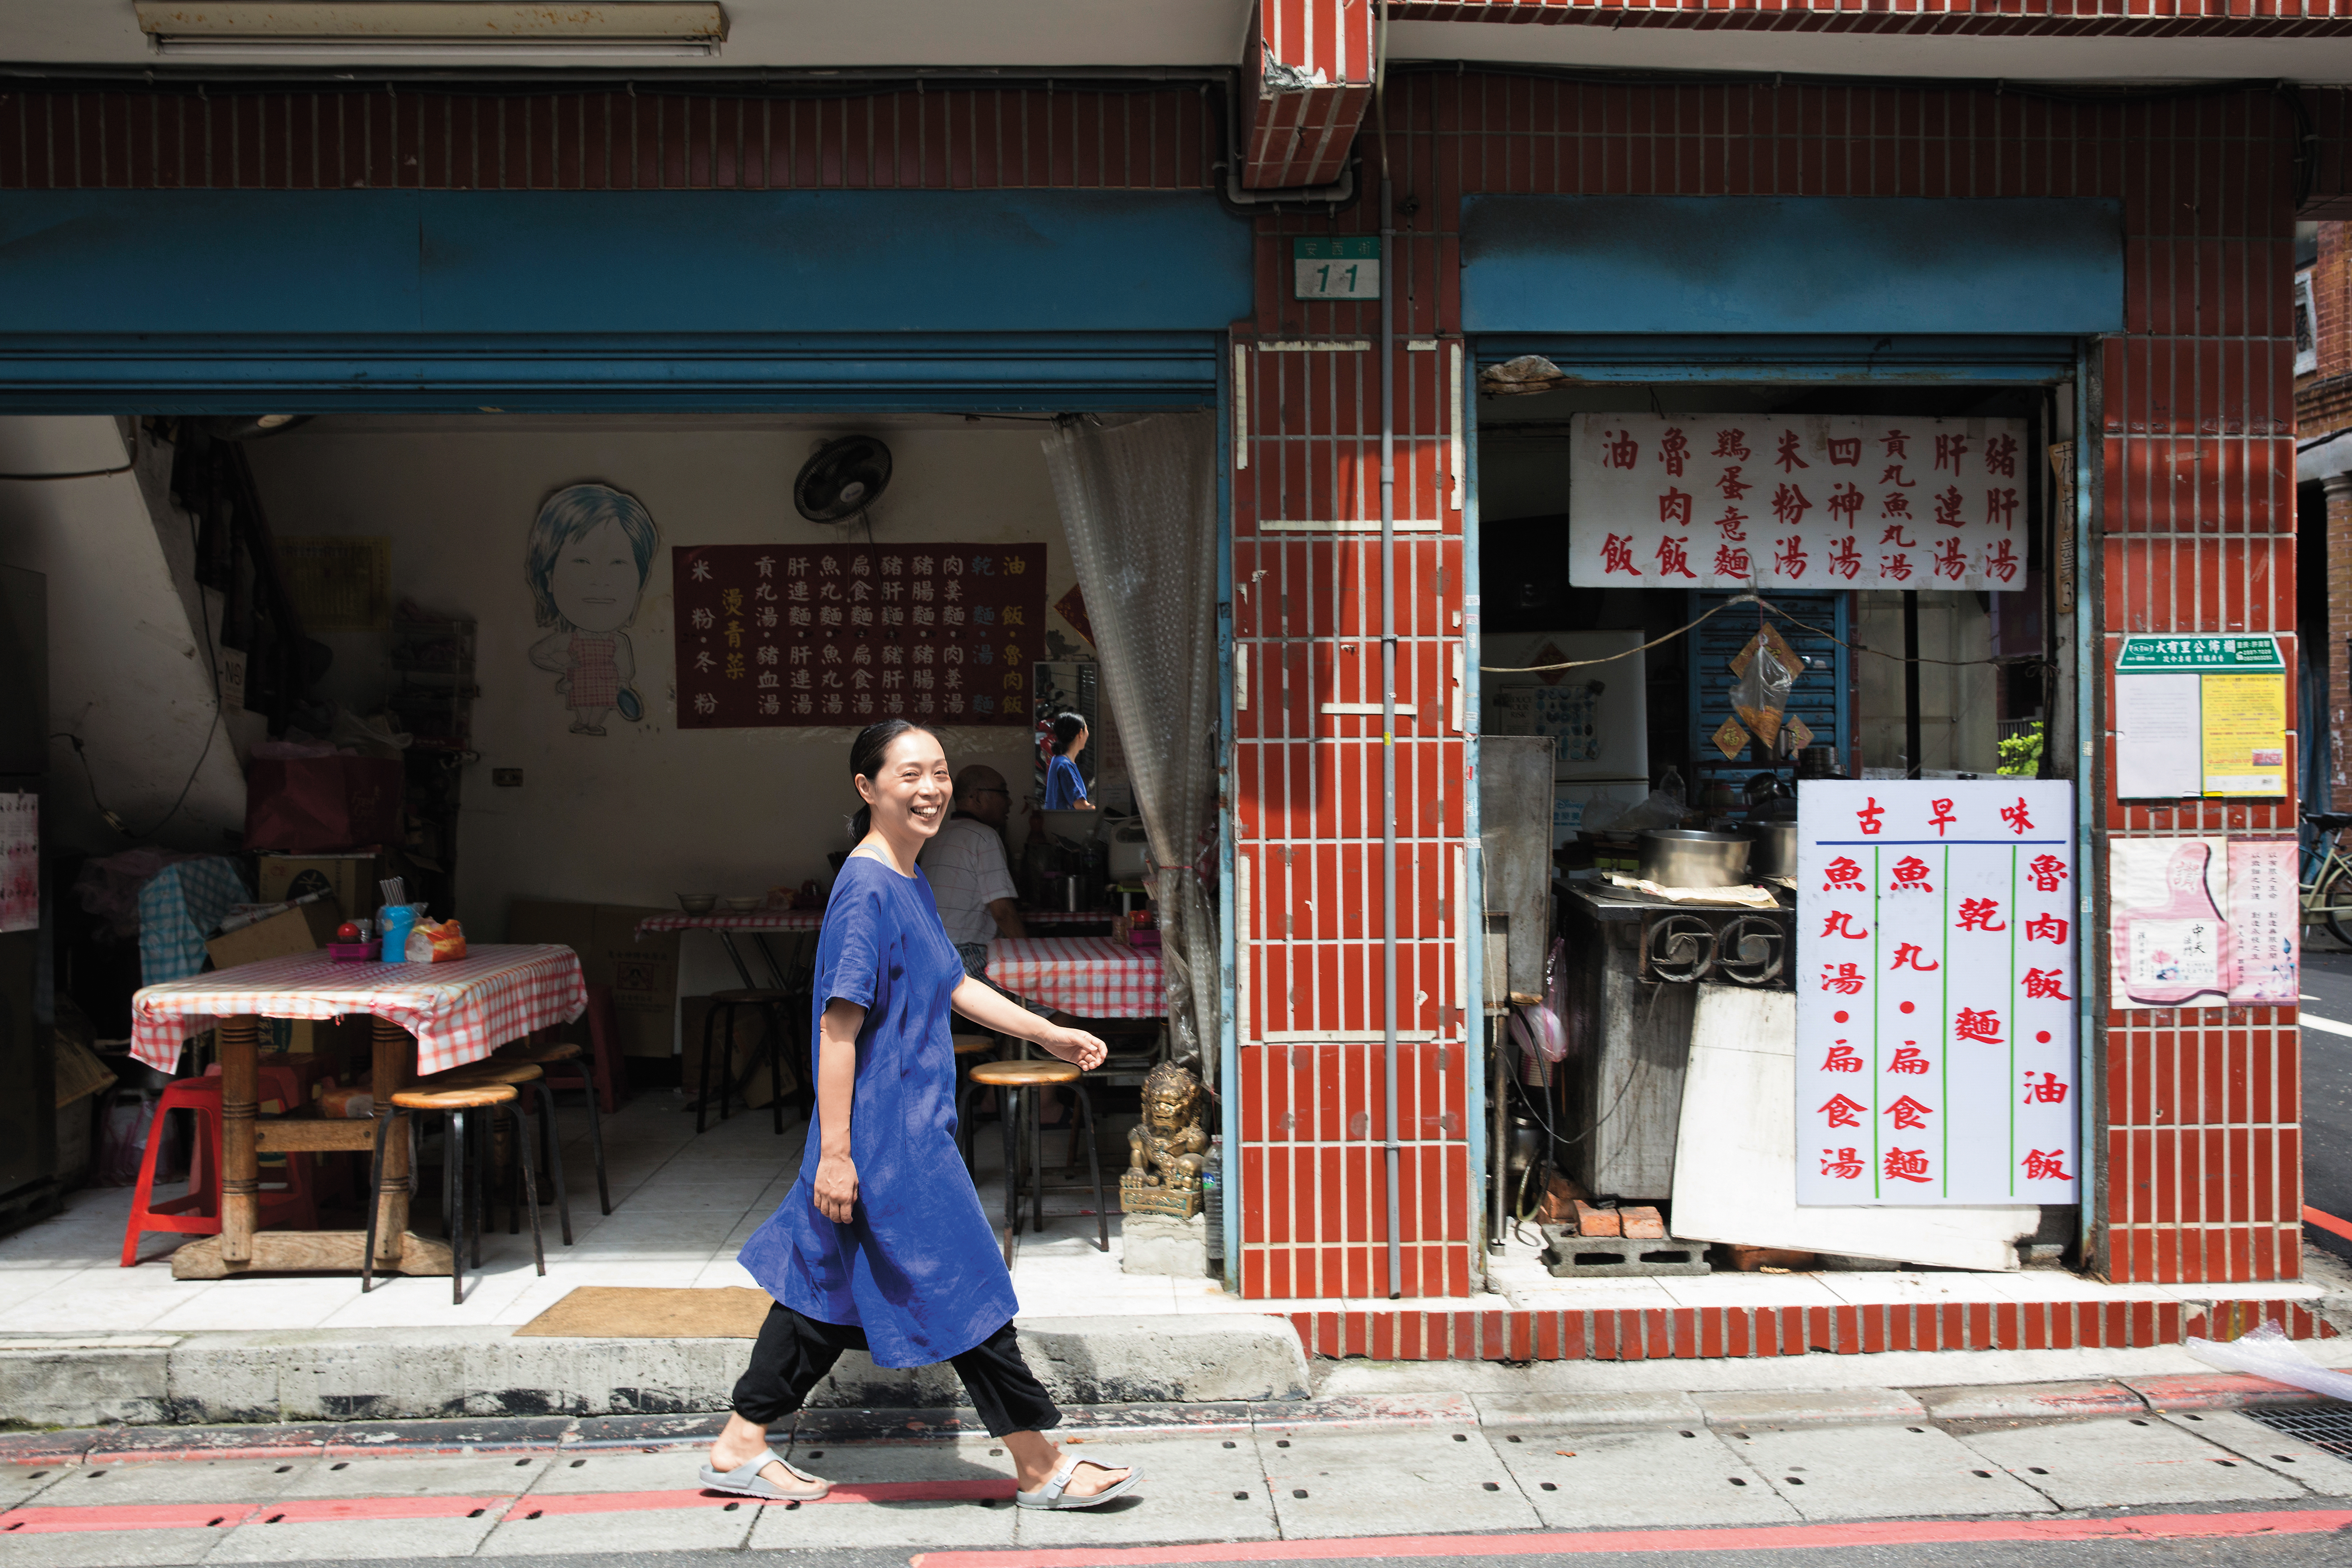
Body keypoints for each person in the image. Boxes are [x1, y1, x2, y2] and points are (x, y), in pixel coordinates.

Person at [703, 720, 1140, 1512]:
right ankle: (1040, 1463)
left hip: (905, 1126)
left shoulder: (907, 877)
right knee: (965, 1282)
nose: (931, 787)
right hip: (886, 1139)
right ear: (867, 787)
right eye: (910, 773)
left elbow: (950, 983)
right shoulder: (868, 888)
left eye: (938, 771)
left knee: (821, 1294)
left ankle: (739, 1442)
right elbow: (837, 1026)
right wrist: (837, 1153)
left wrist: (1046, 1029)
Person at [524, 483, 656, 736]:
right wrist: (566, 667)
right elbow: (539, 654)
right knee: (585, 705)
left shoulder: (617, 642)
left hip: (607, 685)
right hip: (582, 683)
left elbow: (625, 669)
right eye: (581, 561)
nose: (600, 581)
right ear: (549, 576)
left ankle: (592, 724)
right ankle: (586, 723)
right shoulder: (568, 640)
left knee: (598, 707)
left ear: (641, 581)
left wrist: (621, 682)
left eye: (618, 562)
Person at [1042, 712, 1093, 810]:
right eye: (1087, 729)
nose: (1088, 734)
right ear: (1080, 734)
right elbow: (1081, 806)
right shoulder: (1065, 765)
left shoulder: (1058, 760)